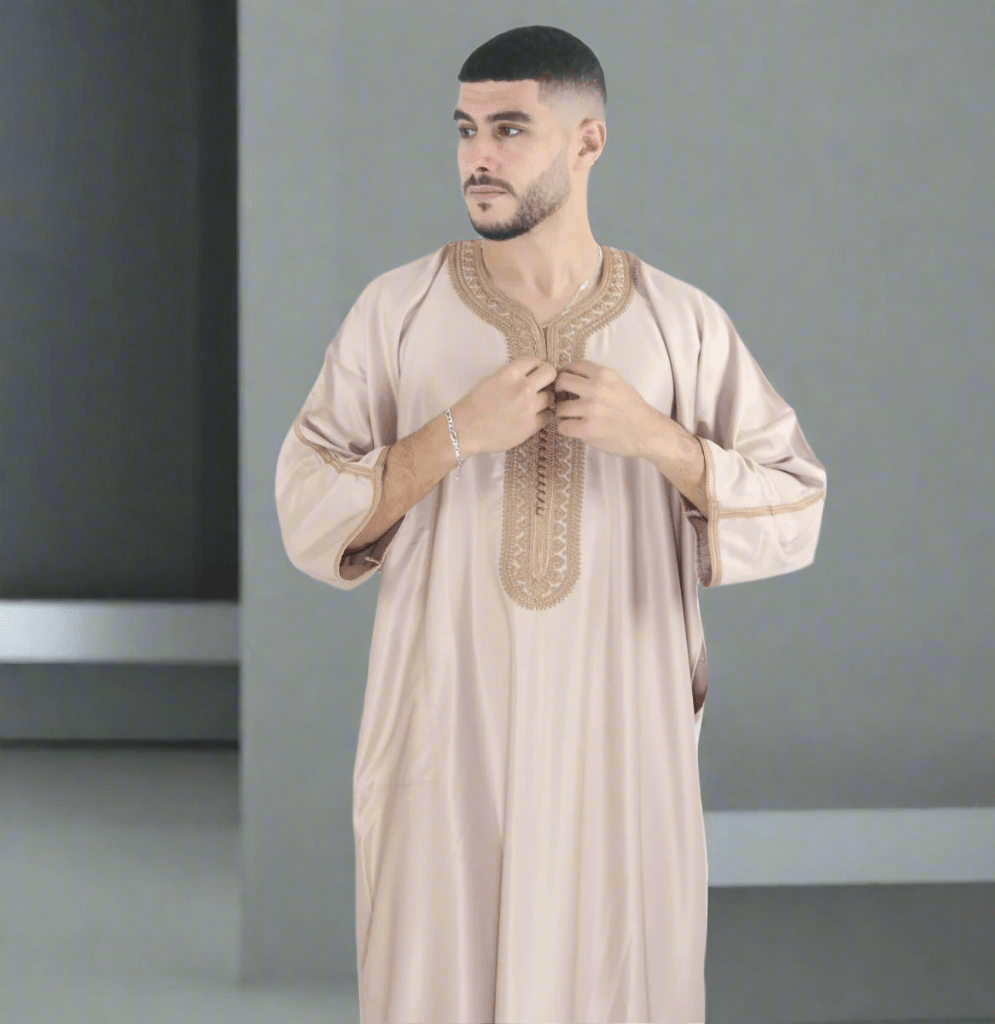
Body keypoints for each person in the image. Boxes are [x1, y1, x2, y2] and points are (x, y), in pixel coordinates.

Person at [274, 24, 827, 1024]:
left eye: (509, 129)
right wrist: (451, 435)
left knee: (621, 980)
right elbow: (304, 502)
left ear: (587, 142)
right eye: (465, 130)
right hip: (447, 734)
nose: (477, 157)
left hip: (619, 738)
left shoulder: (679, 322)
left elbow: (796, 499)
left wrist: (660, 439)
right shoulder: (394, 312)